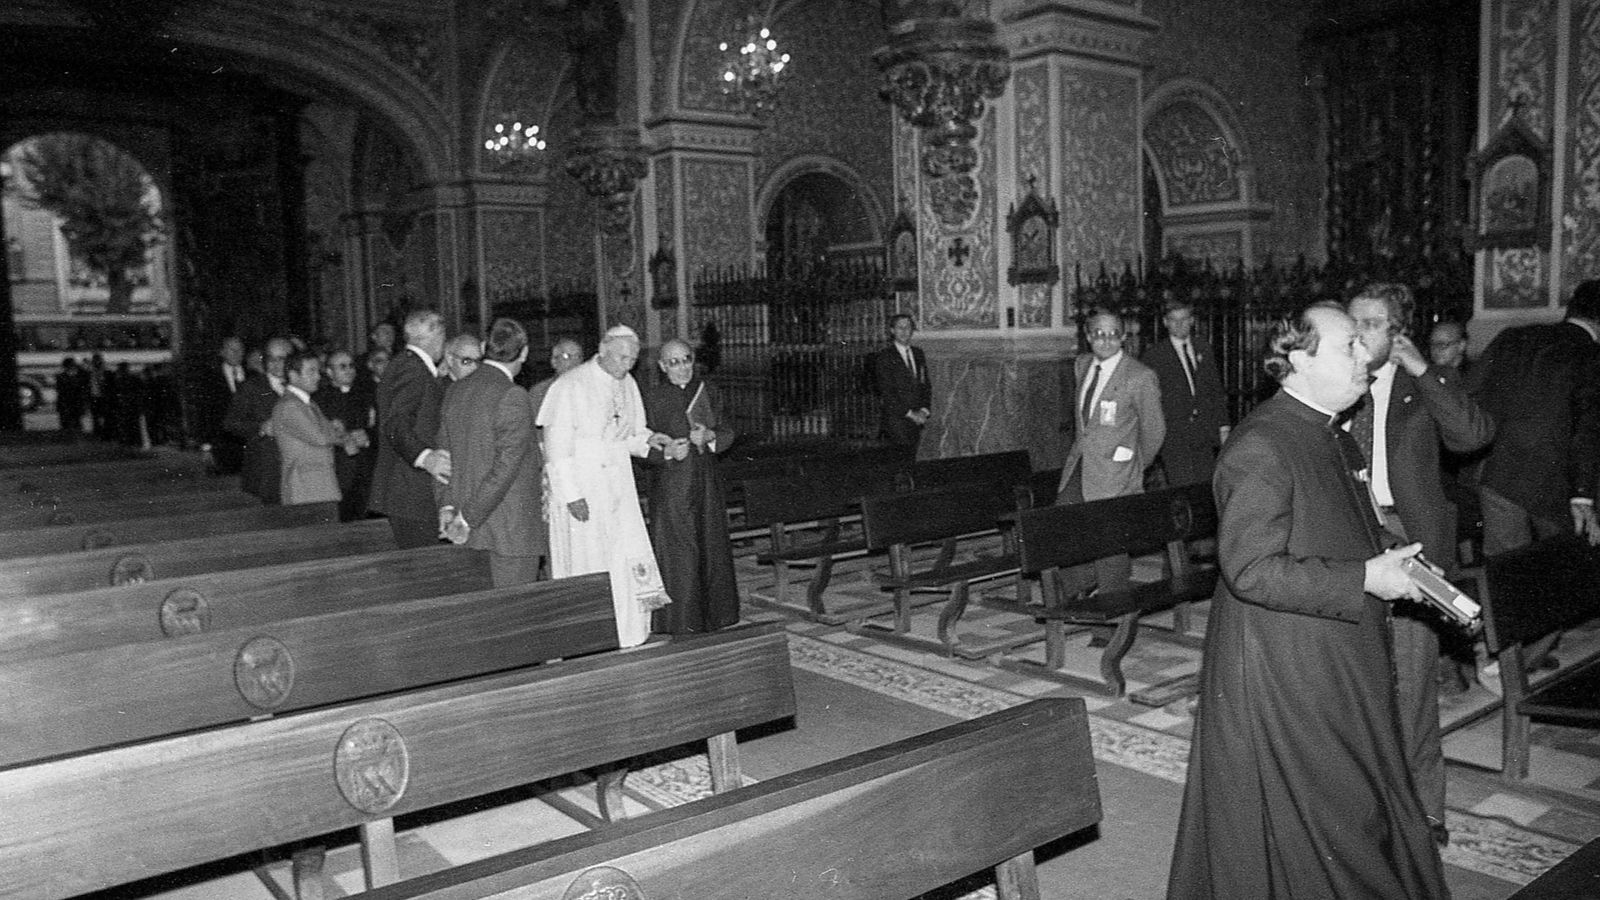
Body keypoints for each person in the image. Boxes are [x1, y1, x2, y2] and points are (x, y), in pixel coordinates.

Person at [1168, 303, 1448, 899]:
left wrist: (1397, 557)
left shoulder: (1331, 435)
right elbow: (1250, 567)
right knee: (1327, 814)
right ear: (1298, 359)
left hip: (1331, 650)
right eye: (1348, 346)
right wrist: (1365, 579)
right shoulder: (1262, 445)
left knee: (1356, 800)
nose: (1364, 357)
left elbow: (1344, 526)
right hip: (1282, 661)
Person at [1347, 283, 1494, 843]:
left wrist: (1425, 371)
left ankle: (1423, 810)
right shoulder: (1338, 380)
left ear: (1398, 331)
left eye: (1373, 323)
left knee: (1410, 682)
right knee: (1352, 678)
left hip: (1408, 541)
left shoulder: (1421, 385)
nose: (1358, 333)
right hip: (1350, 535)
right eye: (1352, 321)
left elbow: (1473, 434)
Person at [1469, 278, 1600, 679]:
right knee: (1562, 575)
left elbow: (1471, 392)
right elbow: (1588, 429)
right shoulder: (1591, 356)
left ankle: (1495, 654)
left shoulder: (1513, 337)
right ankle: (1516, 665)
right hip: (1552, 483)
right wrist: (1583, 495)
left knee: (1505, 571)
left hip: (1497, 471)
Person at [537, 324, 672, 648]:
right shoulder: (571, 385)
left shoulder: (627, 383)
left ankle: (631, 632)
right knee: (590, 560)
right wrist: (571, 495)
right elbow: (556, 450)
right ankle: (591, 637)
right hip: (583, 488)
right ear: (603, 349)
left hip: (618, 486)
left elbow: (630, 433)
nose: (627, 365)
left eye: (633, 359)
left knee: (624, 555)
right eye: (622, 358)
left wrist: (649, 439)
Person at [1055, 310, 1165, 595]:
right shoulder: (1082, 366)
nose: (1106, 340)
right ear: (1089, 336)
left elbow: (1154, 431)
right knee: (1063, 526)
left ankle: (1110, 622)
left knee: (1110, 546)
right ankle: (1076, 595)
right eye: (1099, 334)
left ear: (1124, 337)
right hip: (1081, 465)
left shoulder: (1140, 377)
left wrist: (1134, 464)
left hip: (1116, 474)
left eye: (1114, 334)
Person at [435, 318, 545, 587]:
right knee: (515, 617)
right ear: (525, 352)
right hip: (508, 531)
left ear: (484, 347)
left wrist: (448, 507)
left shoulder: (456, 389)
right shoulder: (512, 395)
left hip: (467, 529)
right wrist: (466, 517)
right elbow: (505, 469)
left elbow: (443, 457)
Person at [641, 338, 740, 633]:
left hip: (706, 482)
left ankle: (716, 616)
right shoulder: (652, 398)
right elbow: (640, 443)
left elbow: (728, 431)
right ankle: (681, 620)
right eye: (674, 362)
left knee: (710, 546)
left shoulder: (708, 391)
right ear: (662, 366)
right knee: (679, 552)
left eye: (686, 360)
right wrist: (667, 451)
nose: (682, 368)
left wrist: (709, 436)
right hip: (672, 486)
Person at [370, 309, 452, 548]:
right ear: (435, 335)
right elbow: (395, 424)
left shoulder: (409, 365)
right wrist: (425, 458)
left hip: (407, 490)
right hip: (410, 489)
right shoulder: (412, 369)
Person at [1141, 299, 1228, 487]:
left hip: (1204, 432)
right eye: (1173, 320)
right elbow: (1150, 400)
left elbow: (1215, 390)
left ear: (1192, 320)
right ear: (1165, 322)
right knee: (1182, 487)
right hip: (1175, 436)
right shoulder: (1155, 356)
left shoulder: (1203, 347)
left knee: (1206, 486)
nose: (1179, 324)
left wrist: (1223, 425)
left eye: (1184, 319)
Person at [270, 350, 345, 505]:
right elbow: (321, 438)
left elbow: (327, 432)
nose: (318, 376)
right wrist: (341, 435)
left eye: (318, 371)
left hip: (318, 485)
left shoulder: (309, 403)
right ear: (293, 375)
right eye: (311, 371)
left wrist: (335, 430)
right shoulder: (290, 405)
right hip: (305, 488)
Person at [224, 338, 291, 504]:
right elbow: (231, 423)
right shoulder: (252, 387)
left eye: (282, 358)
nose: (276, 364)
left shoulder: (300, 383)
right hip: (266, 467)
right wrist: (261, 427)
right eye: (271, 359)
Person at [313, 349, 377, 522]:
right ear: (329, 371)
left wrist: (367, 436)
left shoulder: (366, 394)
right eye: (342, 367)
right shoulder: (319, 399)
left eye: (351, 366)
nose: (349, 370)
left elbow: (377, 426)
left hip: (364, 469)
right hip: (337, 470)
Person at [873, 313, 931, 459]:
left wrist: (924, 410)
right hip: (897, 420)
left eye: (909, 327)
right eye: (900, 327)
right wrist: (911, 414)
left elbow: (925, 385)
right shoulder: (884, 357)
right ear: (892, 330)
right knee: (899, 462)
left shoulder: (918, 354)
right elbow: (886, 392)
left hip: (917, 420)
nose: (905, 331)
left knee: (912, 459)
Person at [528, 337, 583, 418]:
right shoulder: (540, 392)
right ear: (554, 362)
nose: (575, 362)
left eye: (578, 356)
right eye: (567, 356)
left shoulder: (591, 389)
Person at [55, 357, 87, 435]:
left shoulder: (61, 376)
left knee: (73, 420)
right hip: (71, 402)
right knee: (73, 421)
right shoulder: (63, 376)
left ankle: (70, 434)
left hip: (70, 402)